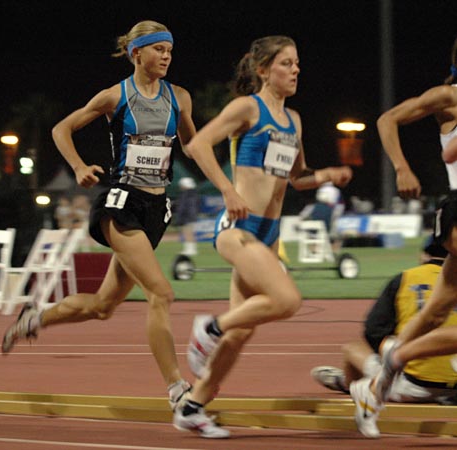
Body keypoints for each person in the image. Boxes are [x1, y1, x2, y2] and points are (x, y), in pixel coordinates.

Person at [0, 20, 197, 412]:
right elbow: (61, 129)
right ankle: (177, 387)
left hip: (157, 209)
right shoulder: (115, 96)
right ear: (137, 53)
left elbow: (194, 146)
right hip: (122, 203)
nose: (166, 57)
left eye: (170, 51)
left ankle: (35, 318)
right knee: (161, 292)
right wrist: (76, 167)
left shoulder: (180, 98)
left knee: (103, 307)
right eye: (159, 50)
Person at [172, 35, 353, 438]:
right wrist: (227, 189)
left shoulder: (295, 121)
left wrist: (327, 175)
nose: (295, 70)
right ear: (263, 69)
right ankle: (208, 329)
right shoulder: (247, 108)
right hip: (238, 229)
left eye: (297, 64)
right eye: (286, 63)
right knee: (287, 300)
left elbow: (298, 178)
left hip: (268, 235)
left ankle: (192, 407)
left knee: (242, 332)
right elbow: (197, 144)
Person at [350, 38, 457, 439]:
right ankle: (399, 360)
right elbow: (386, 119)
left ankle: (376, 387)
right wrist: (401, 168)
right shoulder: (447, 96)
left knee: (433, 313)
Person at [312, 238, 457, 405]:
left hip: (412, 387)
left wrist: (388, 360)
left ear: (424, 254)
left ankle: (352, 385)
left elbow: (374, 331)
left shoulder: (406, 278)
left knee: (352, 349)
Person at [174, 177, 200, 256]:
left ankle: (191, 250)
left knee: (188, 233)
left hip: (188, 216)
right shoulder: (192, 194)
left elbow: (185, 207)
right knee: (187, 233)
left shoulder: (187, 195)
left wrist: (181, 217)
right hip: (190, 216)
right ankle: (189, 249)